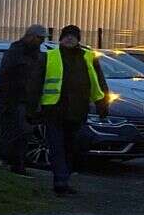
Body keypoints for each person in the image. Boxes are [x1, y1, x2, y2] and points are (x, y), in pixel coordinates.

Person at [40, 24, 106, 196]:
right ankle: (60, 182)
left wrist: (102, 103)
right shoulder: (49, 56)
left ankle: (65, 178)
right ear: (60, 38)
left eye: (73, 36)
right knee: (57, 148)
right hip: (54, 110)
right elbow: (36, 83)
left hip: (78, 111)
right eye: (66, 35)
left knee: (75, 146)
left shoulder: (88, 57)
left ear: (79, 39)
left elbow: (98, 82)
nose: (70, 38)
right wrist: (34, 108)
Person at [0, 24, 47, 175]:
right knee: (21, 133)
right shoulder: (15, 53)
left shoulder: (37, 55)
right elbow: (4, 76)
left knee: (25, 134)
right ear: (30, 36)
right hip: (17, 100)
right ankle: (16, 164)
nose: (41, 41)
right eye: (40, 38)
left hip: (30, 101)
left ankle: (17, 163)